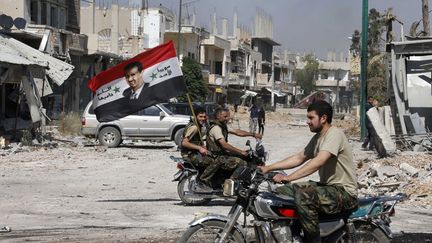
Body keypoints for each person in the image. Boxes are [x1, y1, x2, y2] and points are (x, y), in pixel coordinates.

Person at [259, 100, 358, 243]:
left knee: (304, 196)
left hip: (344, 192)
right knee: (282, 192)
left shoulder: (334, 134)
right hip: (328, 188)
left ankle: (313, 240)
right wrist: (268, 168)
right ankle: (292, 233)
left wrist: (290, 177)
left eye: (311, 118)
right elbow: (299, 157)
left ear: (323, 118)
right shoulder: (318, 138)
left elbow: (319, 161)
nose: (307, 122)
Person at [205, 107, 263, 184]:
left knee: (244, 156)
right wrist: (240, 151)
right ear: (218, 116)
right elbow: (224, 145)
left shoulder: (223, 126)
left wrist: (253, 134)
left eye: (228, 116)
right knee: (242, 163)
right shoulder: (216, 128)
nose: (227, 118)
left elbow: (237, 132)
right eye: (225, 116)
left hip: (221, 153)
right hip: (216, 156)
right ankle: (230, 184)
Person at [180, 106, 215, 191]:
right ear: (195, 116)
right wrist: (199, 148)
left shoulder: (199, 126)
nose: (202, 118)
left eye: (204, 116)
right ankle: (202, 182)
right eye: (200, 117)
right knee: (214, 163)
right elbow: (184, 142)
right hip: (189, 154)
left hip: (194, 152)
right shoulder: (194, 127)